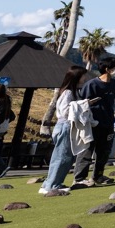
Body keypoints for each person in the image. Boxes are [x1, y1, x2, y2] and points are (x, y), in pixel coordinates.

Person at [39, 66, 90, 196]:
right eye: (83, 76)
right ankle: (52, 185)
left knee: (66, 157)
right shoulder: (68, 92)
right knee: (62, 156)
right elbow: (65, 111)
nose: (85, 78)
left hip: (69, 126)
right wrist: (82, 105)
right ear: (76, 77)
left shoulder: (73, 91)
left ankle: (53, 182)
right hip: (65, 126)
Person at [73, 57, 115, 187]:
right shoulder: (91, 84)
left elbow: (111, 102)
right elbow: (82, 103)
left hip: (108, 122)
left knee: (104, 151)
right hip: (93, 123)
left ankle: (98, 176)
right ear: (107, 69)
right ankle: (79, 178)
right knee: (87, 151)